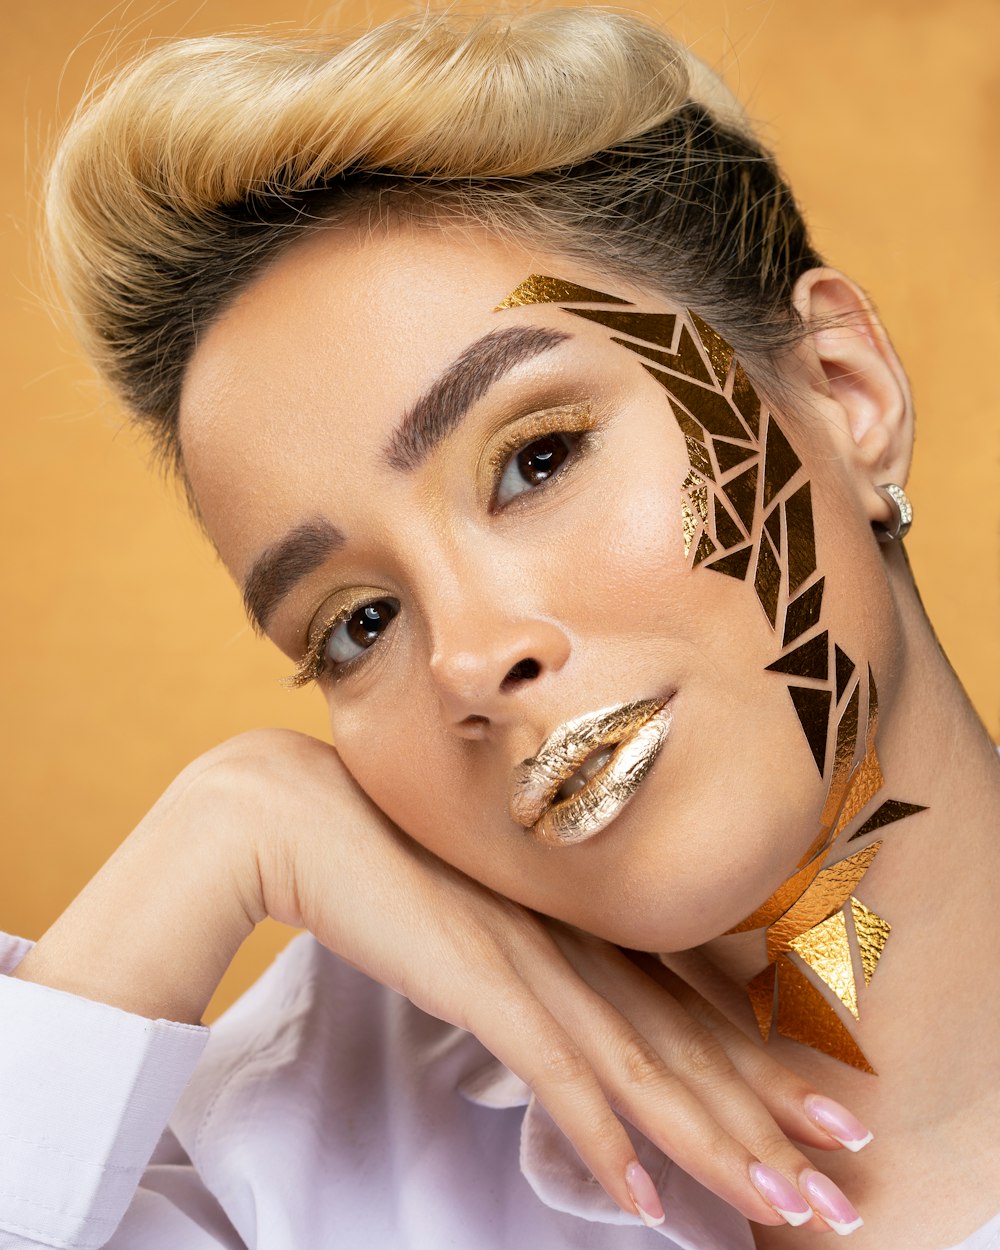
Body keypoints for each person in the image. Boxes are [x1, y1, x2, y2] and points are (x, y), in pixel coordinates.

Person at [1, 7, 997, 1249]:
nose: (472, 659)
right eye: (358, 624)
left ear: (845, 396)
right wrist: (223, 822)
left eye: (537, 459)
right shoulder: (307, 1149)